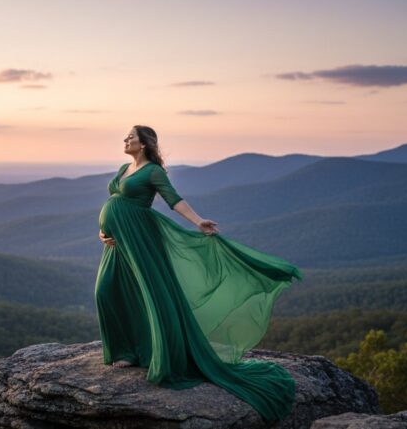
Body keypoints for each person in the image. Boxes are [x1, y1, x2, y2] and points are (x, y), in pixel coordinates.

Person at [95, 125, 304, 423]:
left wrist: (198, 222)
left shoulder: (153, 171)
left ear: (144, 143)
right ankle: (126, 349)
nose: (125, 139)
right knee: (108, 291)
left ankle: (142, 353)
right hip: (118, 243)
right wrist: (103, 231)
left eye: (131, 136)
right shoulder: (123, 169)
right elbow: (115, 203)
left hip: (140, 240)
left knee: (148, 293)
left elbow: (174, 200)